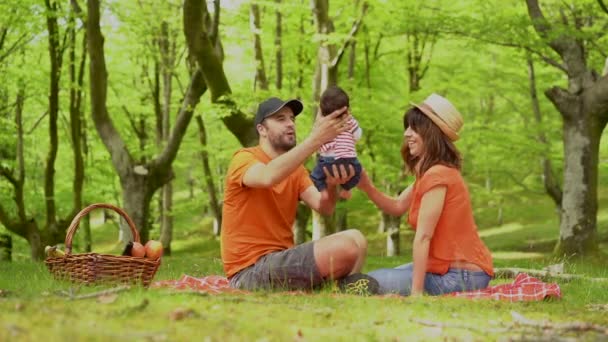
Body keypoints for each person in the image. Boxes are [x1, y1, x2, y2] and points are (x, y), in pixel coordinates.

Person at [221, 97, 379, 294]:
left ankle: (342, 290)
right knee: (346, 247)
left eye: (292, 119)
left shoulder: (296, 170)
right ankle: (336, 288)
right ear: (262, 129)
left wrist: (331, 186)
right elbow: (267, 176)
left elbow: (324, 207)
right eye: (281, 119)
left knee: (357, 238)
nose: (290, 124)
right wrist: (316, 140)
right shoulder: (244, 159)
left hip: (280, 261)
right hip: (249, 272)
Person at [358, 93, 493, 296]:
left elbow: (423, 237)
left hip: (461, 275)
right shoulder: (431, 174)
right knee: (374, 277)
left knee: (367, 283)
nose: (406, 134)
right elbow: (396, 206)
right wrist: (366, 185)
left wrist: (416, 293)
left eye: (414, 128)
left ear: (431, 133)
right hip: (448, 269)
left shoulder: (438, 175)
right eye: (407, 127)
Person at [310, 86, 362, 200]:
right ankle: (346, 189)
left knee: (315, 175)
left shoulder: (323, 124)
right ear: (347, 109)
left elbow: (316, 143)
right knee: (358, 172)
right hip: (349, 162)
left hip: (327, 163)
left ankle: (322, 191)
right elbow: (358, 136)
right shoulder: (350, 121)